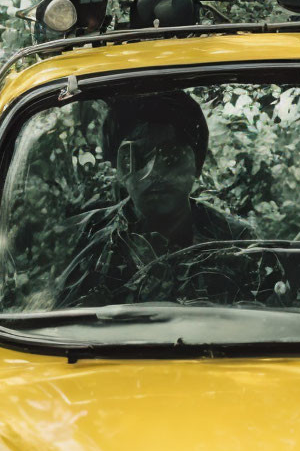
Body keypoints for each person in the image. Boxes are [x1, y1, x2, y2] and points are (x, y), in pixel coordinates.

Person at [55, 90, 255, 307]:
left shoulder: (237, 241)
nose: (156, 173)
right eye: (137, 158)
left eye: (171, 156)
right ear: (119, 168)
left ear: (197, 165)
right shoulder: (86, 238)